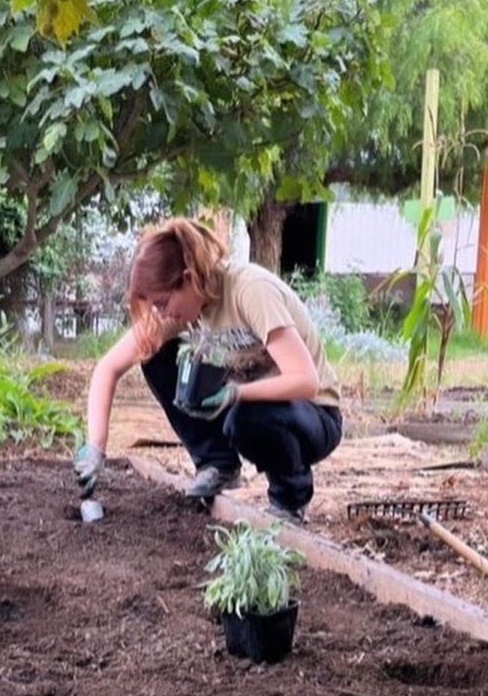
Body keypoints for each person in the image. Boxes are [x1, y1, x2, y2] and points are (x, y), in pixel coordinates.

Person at [73, 218, 343, 522]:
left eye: (162, 303)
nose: (162, 314)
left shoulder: (250, 290)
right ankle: (218, 464)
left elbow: (306, 380)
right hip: (248, 404)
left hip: (312, 415)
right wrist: (96, 447)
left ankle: (288, 501)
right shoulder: (188, 305)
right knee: (156, 356)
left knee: (246, 418)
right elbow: (109, 367)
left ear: (188, 278)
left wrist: (235, 393)